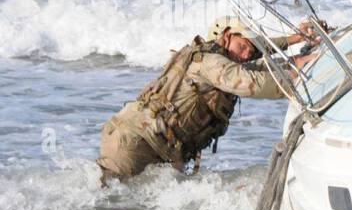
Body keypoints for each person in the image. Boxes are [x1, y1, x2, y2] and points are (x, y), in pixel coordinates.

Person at [97, 17, 318, 183]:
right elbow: (253, 83)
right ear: (226, 36)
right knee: (110, 207)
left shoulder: (217, 55)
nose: (245, 55)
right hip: (136, 143)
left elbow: (254, 50)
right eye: (242, 47)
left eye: (249, 51)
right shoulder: (211, 63)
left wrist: (295, 39)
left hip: (151, 143)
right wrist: (294, 73)